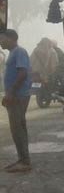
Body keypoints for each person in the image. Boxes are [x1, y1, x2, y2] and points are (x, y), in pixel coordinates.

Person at [0, 29, 32, 173]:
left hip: (18, 96)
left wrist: (11, 93)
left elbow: (22, 73)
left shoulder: (19, 52)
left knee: (17, 128)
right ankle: (22, 159)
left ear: (12, 38)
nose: (1, 41)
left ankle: (25, 161)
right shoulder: (12, 53)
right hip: (15, 95)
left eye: (2, 38)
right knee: (17, 127)